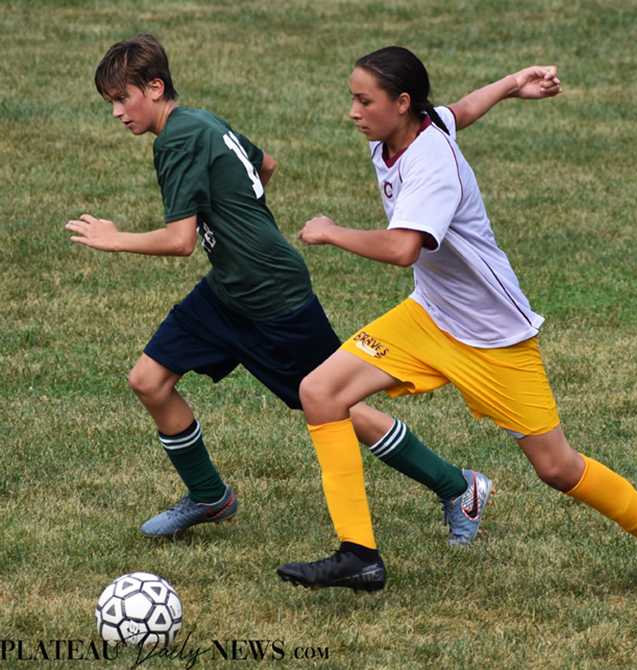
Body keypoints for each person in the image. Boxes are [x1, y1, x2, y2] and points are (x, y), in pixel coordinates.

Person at [278, 46, 637, 594]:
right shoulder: (407, 129)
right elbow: (459, 111)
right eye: (352, 99)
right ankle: (358, 555)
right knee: (320, 392)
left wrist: (331, 231)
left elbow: (403, 249)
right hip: (429, 317)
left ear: (402, 103)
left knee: (556, 467)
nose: (353, 112)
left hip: (492, 336)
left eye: (365, 101)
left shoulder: (431, 163)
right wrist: (512, 82)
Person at [65, 34, 493, 554]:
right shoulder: (200, 121)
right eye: (110, 102)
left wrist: (114, 238)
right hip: (228, 289)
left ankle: (459, 486)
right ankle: (209, 496)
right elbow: (264, 164)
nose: (116, 112)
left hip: (274, 298)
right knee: (148, 381)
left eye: (121, 98)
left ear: (154, 88)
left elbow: (180, 241)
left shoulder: (174, 140)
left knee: (340, 406)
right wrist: (239, 222)